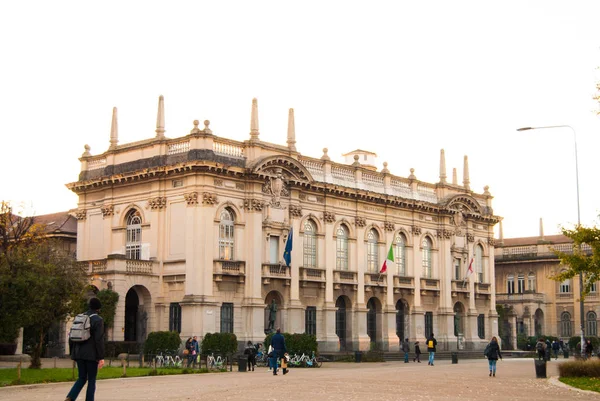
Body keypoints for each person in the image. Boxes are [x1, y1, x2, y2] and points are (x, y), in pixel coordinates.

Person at [65, 297, 105, 401]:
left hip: (78, 353)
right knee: (91, 379)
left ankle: (70, 397)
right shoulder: (98, 320)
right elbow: (98, 340)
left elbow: (71, 336)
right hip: (91, 355)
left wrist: (73, 353)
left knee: (82, 378)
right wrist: (101, 357)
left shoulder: (80, 317)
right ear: (98, 308)